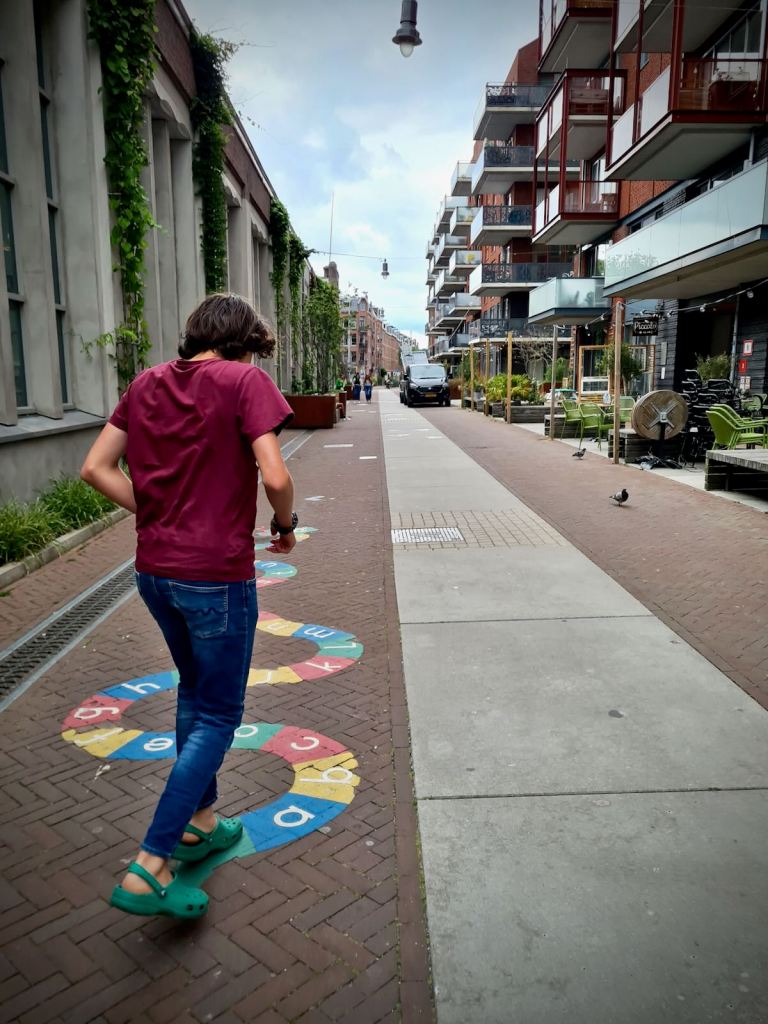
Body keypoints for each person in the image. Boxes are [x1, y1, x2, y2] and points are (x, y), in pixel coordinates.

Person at [80, 293, 297, 920]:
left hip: (154, 571)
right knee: (219, 716)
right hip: (216, 576)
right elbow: (276, 478)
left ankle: (202, 820)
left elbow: (96, 467)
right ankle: (151, 865)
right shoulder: (244, 382)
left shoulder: (146, 383)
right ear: (244, 342)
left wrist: (155, 513)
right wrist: (285, 524)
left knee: (191, 694)